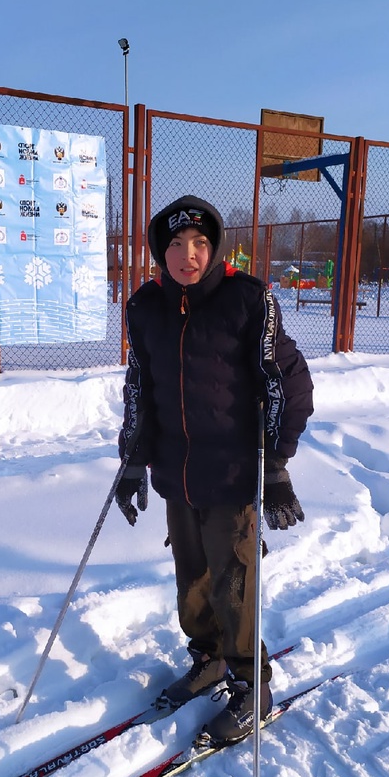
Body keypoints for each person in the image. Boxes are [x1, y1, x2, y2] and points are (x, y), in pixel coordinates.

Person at [115, 195, 314, 745]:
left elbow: (287, 383)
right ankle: (207, 658)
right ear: (161, 250)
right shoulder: (147, 307)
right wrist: (131, 461)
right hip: (177, 474)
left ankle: (254, 685)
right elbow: (140, 389)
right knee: (192, 578)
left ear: (215, 246)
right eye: (176, 244)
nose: (188, 254)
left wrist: (275, 466)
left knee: (234, 583)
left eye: (200, 243)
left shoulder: (246, 300)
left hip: (230, 476)